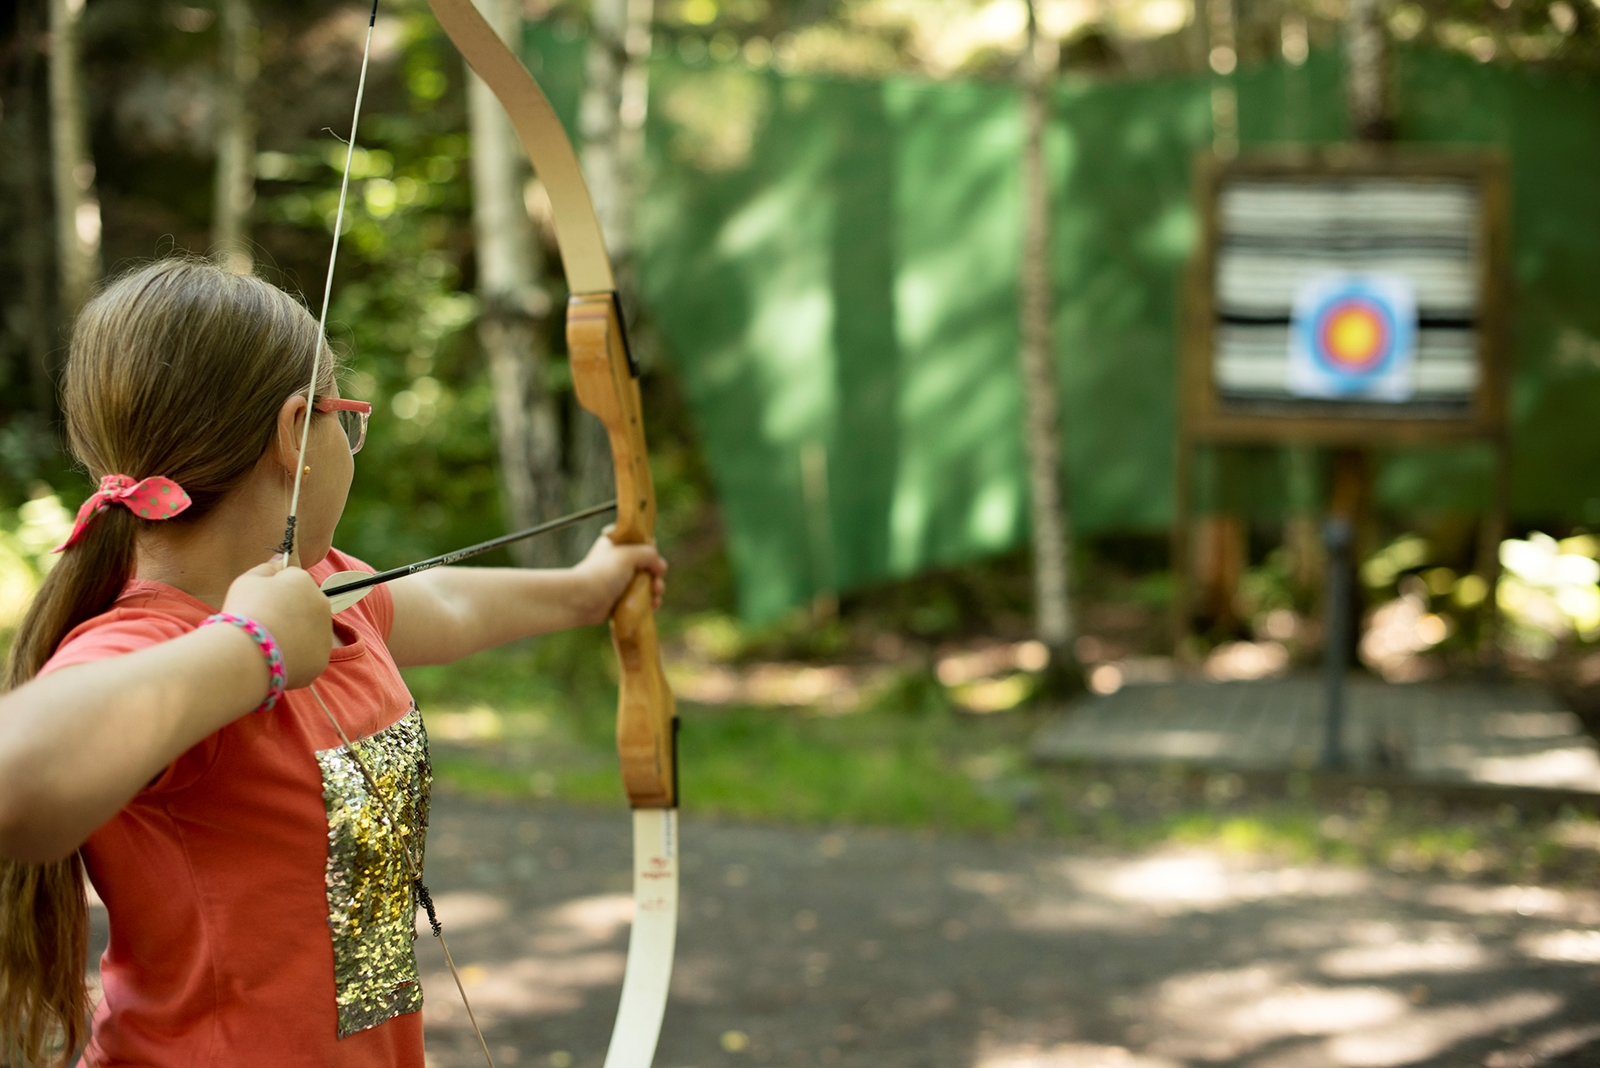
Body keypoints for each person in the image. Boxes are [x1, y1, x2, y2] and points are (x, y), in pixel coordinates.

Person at [0, 258, 666, 1068]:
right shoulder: (161, 644)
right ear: (294, 432)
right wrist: (252, 649)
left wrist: (587, 590)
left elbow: (447, 605)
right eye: (346, 419)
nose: (351, 441)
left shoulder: (321, 593)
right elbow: (19, 777)